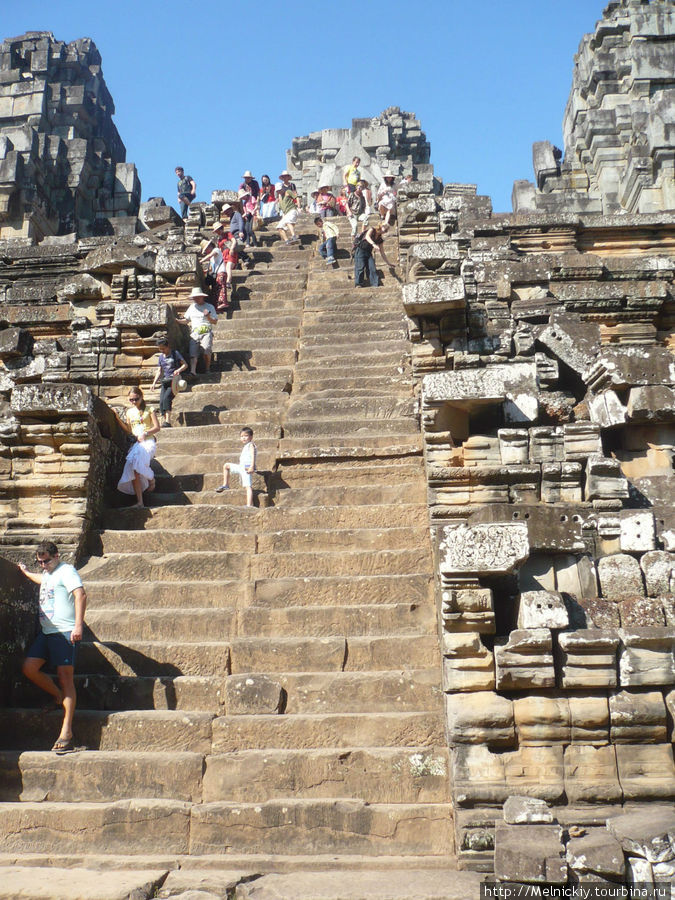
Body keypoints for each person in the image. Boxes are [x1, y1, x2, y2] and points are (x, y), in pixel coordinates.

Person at [20, 541, 87, 754]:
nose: (43, 565)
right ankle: (58, 697)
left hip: (65, 632)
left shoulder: (66, 571)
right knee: (29, 668)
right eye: (40, 562)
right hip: (47, 632)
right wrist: (26, 572)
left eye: (46, 561)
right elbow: (42, 579)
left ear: (57, 555)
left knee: (65, 677)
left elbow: (80, 594)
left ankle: (66, 733)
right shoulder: (48, 573)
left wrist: (78, 626)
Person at [117, 387, 161, 508]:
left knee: (137, 464)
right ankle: (140, 502)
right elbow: (128, 430)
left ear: (141, 397)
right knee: (134, 470)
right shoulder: (129, 412)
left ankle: (151, 478)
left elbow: (157, 427)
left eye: (136, 399)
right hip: (137, 444)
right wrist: (116, 418)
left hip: (148, 442)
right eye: (131, 400)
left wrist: (145, 433)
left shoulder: (149, 409)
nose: (133, 402)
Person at [181, 287, 218, 376]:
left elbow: (215, 321)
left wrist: (208, 317)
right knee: (193, 354)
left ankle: (207, 368)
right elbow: (186, 320)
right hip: (195, 333)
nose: (196, 299)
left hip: (206, 331)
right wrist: (177, 321)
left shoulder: (210, 307)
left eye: (197, 297)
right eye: (194, 298)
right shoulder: (192, 307)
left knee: (206, 351)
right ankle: (193, 371)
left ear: (202, 297)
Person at [216, 426, 257, 507]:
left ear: (251, 437)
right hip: (241, 467)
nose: (243, 438)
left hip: (247, 468)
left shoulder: (251, 445)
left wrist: (252, 466)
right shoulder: (246, 446)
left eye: (246, 436)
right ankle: (226, 485)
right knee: (226, 466)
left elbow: (253, 455)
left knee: (248, 487)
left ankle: (249, 505)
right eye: (242, 436)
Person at [151, 337, 187, 428]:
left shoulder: (175, 354)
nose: (161, 350)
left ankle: (167, 421)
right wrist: (154, 383)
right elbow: (159, 371)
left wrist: (178, 370)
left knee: (167, 398)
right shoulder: (160, 357)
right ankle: (164, 420)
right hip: (165, 381)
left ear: (168, 346)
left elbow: (185, 365)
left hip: (174, 381)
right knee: (162, 401)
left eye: (163, 348)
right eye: (160, 349)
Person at [353, 223, 395, 288]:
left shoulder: (380, 239)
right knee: (360, 267)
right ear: (380, 226)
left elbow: (382, 252)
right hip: (361, 250)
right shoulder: (372, 230)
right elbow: (367, 237)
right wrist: (373, 244)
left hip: (368, 252)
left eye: (386, 230)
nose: (385, 230)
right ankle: (358, 284)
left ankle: (375, 284)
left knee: (372, 267)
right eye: (385, 228)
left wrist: (388, 263)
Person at [200, 239, 229, 311]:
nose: (206, 251)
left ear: (209, 246)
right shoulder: (212, 258)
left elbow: (210, 255)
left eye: (206, 249)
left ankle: (224, 302)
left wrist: (201, 261)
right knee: (216, 288)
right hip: (217, 272)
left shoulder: (216, 250)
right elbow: (212, 268)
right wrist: (205, 271)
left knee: (221, 285)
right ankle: (218, 304)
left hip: (221, 271)